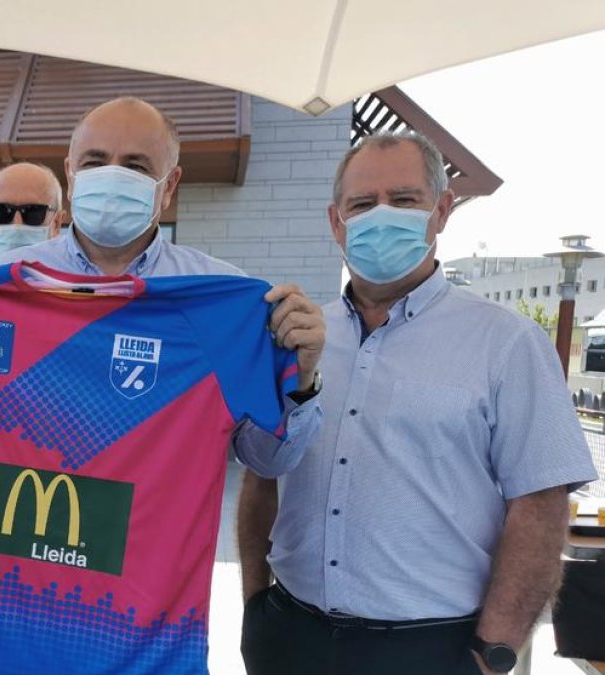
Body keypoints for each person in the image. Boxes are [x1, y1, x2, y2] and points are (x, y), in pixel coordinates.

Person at [237, 130, 598, 675]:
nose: (381, 216)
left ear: (441, 210)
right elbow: (261, 475)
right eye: (362, 203)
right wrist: (254, 605)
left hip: (432, 649)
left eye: (403, 200)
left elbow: (540, 505)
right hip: (291, 636)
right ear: (337, 223)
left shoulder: (506, 344)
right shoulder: (299, 337)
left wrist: (494, 653)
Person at [0, 96, 325, 477]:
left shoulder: (221, 302)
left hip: (151, 550)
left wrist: (301, 381)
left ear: (170, 185)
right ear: (71, 175)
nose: (112, 177)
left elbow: (268, 461)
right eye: (94, 162)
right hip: (26, 543)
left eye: (135, 166)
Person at [0, 161, 64, 258]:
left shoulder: (79, 273)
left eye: (32, 211)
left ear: (57, 223)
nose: (17, 225)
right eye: (3, 211)